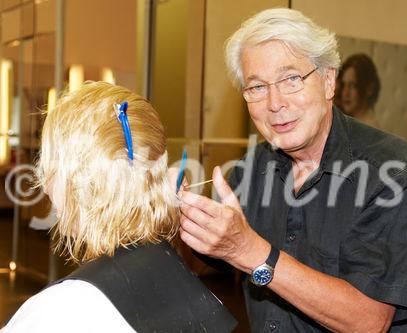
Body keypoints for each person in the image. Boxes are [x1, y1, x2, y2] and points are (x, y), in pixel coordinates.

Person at [178, 8, 407, 332]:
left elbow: (368, 321)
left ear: (328, 82)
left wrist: (252, 251)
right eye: (256, 87)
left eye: (290, 79)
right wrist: (172, 212)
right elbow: (212, 252)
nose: (274, 103)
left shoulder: (394, 170)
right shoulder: (251, 169)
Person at [1, 82, 237, 332]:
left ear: (87, 179)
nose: (46, 187)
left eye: (51, 167)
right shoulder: (179, 281)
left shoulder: (63, 310)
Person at [335, 53, 381, 128]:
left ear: (369, 89)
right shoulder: (350, 122)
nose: (345, 93)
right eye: (344, 85)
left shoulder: (369, 128)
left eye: (352, 86)